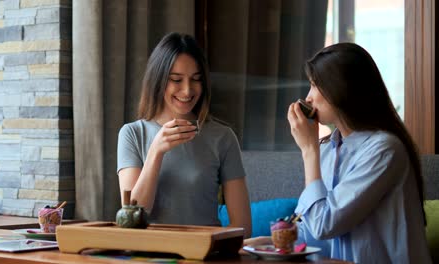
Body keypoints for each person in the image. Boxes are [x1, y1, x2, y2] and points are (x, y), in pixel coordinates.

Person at [245, 43, 432, 263]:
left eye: (315, 86)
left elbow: (325, 224)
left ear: (342, 89)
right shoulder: (329, 150)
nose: (309, 97)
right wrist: (261, 243)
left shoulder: (384, 150)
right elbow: (313, 232)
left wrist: (309, 149)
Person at [117, 32, 252, 238]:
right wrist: (156, 151)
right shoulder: (133, 134)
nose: (188, 90)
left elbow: (243, 226)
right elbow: (131, 220)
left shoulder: (222, 137)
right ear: (158, 80)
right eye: (176, 80)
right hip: (148, 254)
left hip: (205, 254)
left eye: (196, 80)